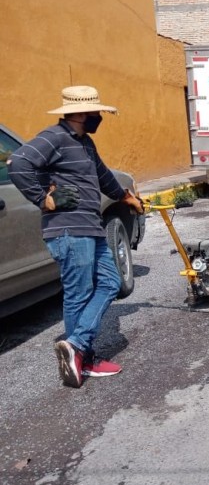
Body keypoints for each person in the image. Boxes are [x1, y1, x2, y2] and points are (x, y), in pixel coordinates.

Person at [8, 85, 144, 388]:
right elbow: (18, 163)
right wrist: (44, 199)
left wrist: (126, 197)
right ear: (82, 112)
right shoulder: (54, 137)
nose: (99, 117)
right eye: (96, 112)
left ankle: (76, 345)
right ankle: (82, 358)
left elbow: (103, 176)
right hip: (68, 230)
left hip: (90, 227)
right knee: (79, 293)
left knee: (110, 282)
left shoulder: (84, 143)